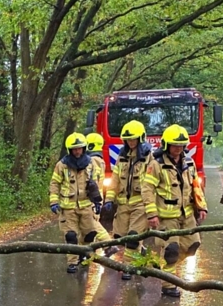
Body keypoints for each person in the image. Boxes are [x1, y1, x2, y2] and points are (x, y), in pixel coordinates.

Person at [142, 124, 208, 298]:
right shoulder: (156, 164)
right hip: (166, 217)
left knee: (193, 245)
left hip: (186, 216)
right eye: (174, 145)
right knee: (172, 249)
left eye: (181, 145)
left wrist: (201, 207)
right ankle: (168, 285)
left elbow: (196, 186)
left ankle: (161, 267)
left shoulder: (189, 162)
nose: (178, 148)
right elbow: (147, 188)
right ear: (166, 145)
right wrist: (152, 214)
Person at [49, 133, 112, 273]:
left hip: (86, 207)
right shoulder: (62, 165)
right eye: (74, 149)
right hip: (68, 208)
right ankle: (72, 262)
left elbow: (97, 185)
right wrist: (54, 201)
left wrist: (98, 201)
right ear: (69, 150)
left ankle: (84, 254)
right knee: (71, 236)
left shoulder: (91, 164)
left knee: (89, 234)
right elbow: (54, 184)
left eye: (80, 148)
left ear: (84, 148)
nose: (77, 151)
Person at [102, 120, 153, 280]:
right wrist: (109, 199)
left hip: (140, 204)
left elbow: (152, 183)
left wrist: (151, 207)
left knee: (132, 237)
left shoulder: (148, 158)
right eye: (128, 140)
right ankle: (142, 253)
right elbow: (115, 179)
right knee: (120, 238)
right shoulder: (122, 157)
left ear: (140, 138)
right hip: (123, 204)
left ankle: (128, 268)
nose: (131, 142)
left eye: (134, 139)